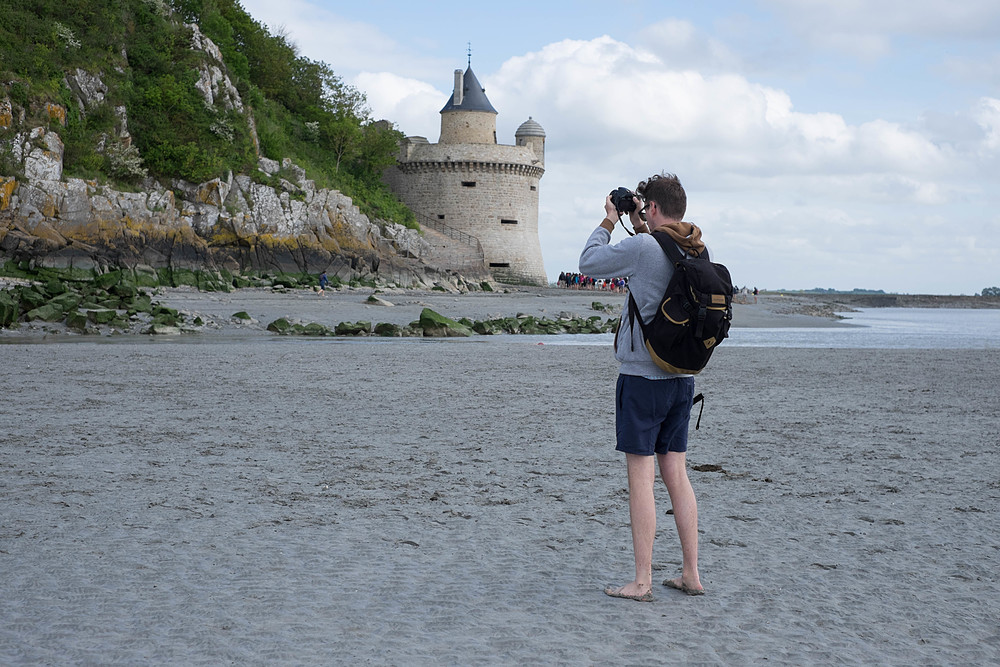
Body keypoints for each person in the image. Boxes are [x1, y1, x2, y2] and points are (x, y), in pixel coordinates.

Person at [579, 172, 706, 602]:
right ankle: (691, 573)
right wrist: (640, 225)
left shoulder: (644, 245)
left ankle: (642, 580)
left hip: (642, 378)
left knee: (641, 480)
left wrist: (610, 221)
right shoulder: (695, 244)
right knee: (678, 476)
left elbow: (590, 263)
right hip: (683, 379)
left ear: (650, 208)